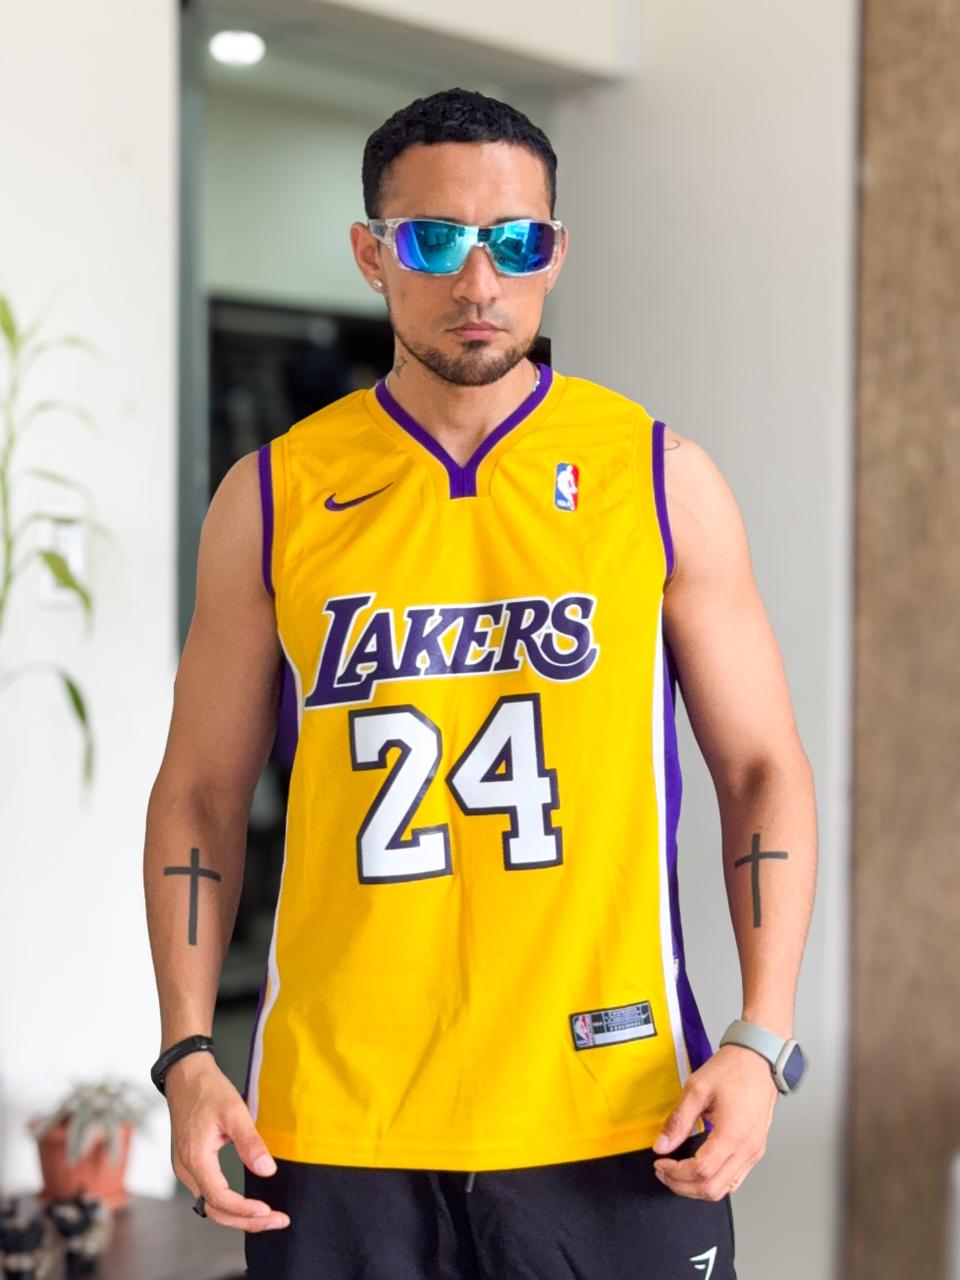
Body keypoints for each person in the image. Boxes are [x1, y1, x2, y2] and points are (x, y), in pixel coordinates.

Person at [144, 87, 817, 1280]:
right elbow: (198, 791)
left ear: (554, 251)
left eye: (514, 239)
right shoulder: (274, 495)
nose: (478, 279)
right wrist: (188, 1050)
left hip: (616, 1111)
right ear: (372, 254)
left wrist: (763, 1037)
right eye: (432, 238)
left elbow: (762, 766)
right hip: (338, 1123)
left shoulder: (659, 478)